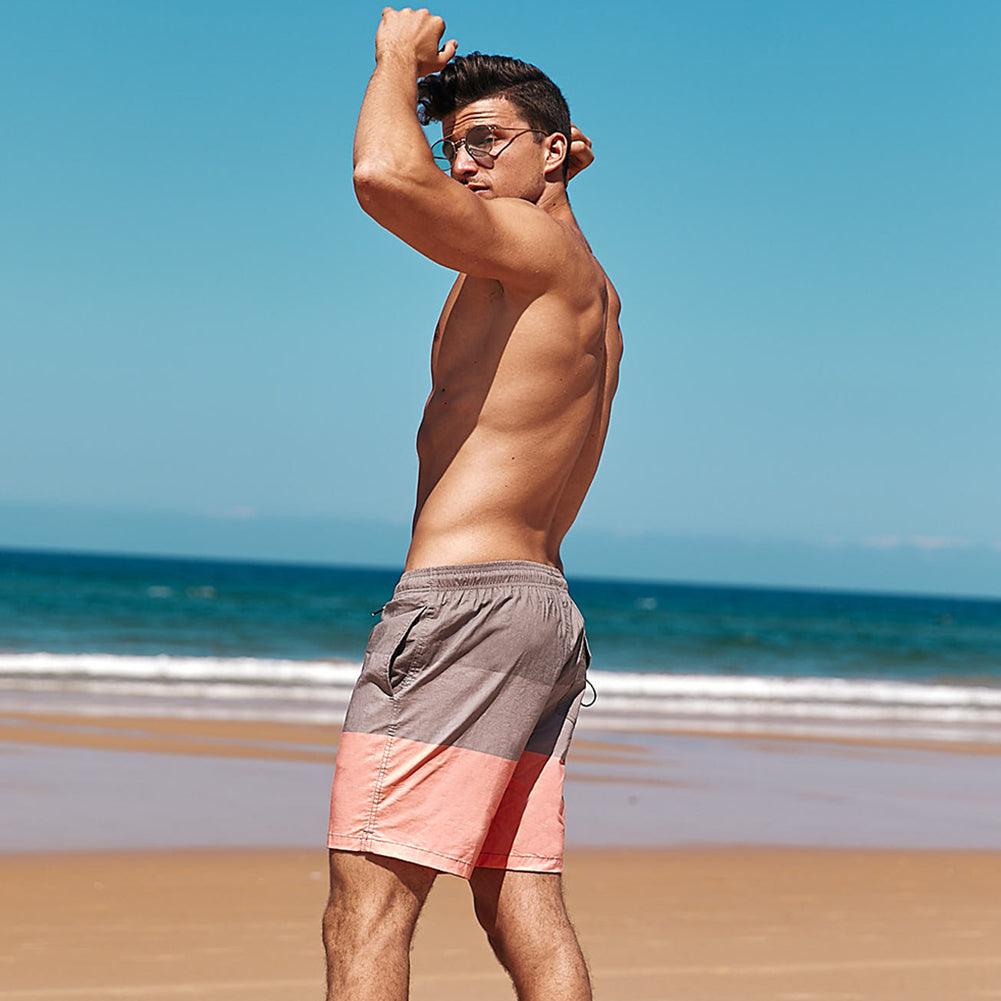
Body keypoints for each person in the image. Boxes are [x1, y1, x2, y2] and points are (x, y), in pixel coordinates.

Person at [322, 8, 622, 1000]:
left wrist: (394, 59)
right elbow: (476, 203)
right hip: (539, 612)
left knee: (368, 904)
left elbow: (382, 176)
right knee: (515, 891)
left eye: (484, 141)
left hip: (462, 606)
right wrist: (544, 165)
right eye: (453, 145)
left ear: (550, 149)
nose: (460, 165)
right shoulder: (584, 285)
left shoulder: (530, 253)